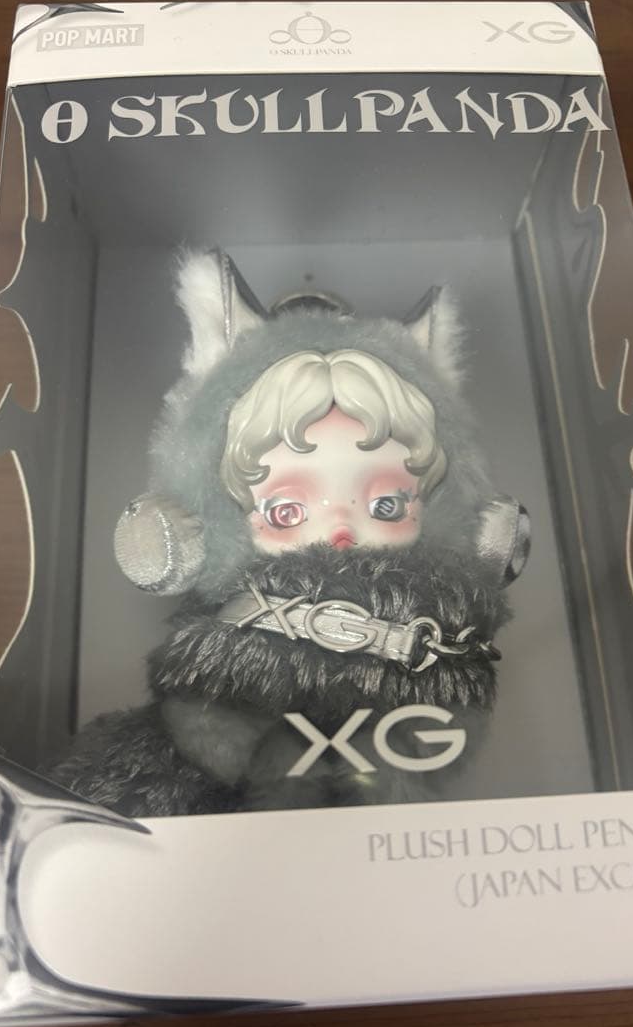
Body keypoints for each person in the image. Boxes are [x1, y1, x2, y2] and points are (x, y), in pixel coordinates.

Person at [50, 250, 529, 816]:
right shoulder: (226, 665)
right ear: (200, 532)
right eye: (285, 511)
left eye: (386, 503)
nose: (340, 530)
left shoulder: (441, 649)